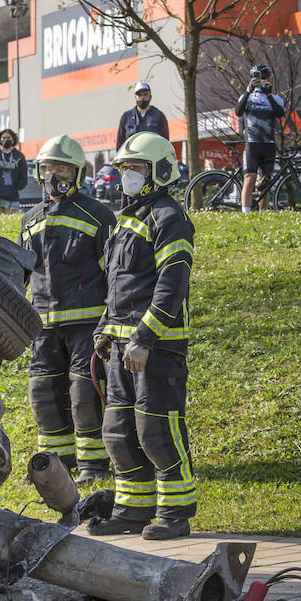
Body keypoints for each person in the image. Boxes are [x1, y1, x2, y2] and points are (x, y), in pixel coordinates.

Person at [89, 131, 196, 540]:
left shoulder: (170, 217)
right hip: (120, 347)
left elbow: (172, 284)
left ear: (159, 171)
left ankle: (175, 514)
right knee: (117, 431)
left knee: (157, 431)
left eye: (134, 168)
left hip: (156, 348)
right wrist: (103, 331)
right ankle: (132, 511)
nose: (126, 176)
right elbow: (116, 287)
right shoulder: (126, 220)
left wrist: (145, 339)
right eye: (124, 169)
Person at [19, 135, 117, 484]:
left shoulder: (99, 215)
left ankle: (93, 465)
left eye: (60, 168)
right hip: (42, 326)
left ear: (77, 173)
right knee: (42, 394)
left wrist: (110, 322)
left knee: (83, 395)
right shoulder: (30, 219)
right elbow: (23, 276)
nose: (52, 174)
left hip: (87, 325)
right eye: (47, 168)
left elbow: (115, 274)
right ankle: (57, 465)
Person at [235, 64, 287, 213]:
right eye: (257, 78)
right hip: (252, 144)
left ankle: (262, 213)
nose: (261, 80)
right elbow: (238, 111)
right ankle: (245, 213)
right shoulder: (247, 97)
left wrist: (269, 95)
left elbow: (280, 114)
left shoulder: (276, 99)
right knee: (249, 178)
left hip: (269, 144)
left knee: (266, 182)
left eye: (264, 78)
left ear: (269, 79)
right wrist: (247, 91)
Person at [115, 81, 170, 150]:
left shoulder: (159, 116)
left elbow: (165, 142)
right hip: (131, 158)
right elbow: (120, 142)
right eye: (139, 95)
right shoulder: (126, 117)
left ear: (150, 96)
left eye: (145, 94)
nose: (142, 97)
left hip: (152, 157)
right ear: (135, 97)